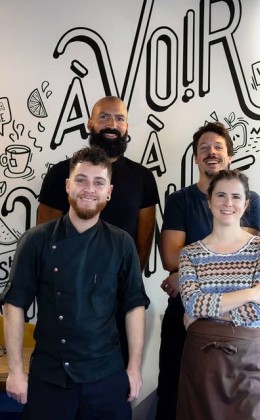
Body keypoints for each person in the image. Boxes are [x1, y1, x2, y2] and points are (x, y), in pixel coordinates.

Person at [2, 147, 150, 420]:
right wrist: (16, 371)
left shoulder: (122, 243)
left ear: (109, 191)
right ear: (68, 185)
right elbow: (14, 305)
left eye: (98, 182)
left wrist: (133, 368)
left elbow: (134, 307)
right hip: (50, 376)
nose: (89, 189)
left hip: (106, 375)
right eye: (81, 180)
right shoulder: (36, 240)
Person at [37, 95, 159, 364]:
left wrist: (126, 286)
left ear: (127, 127)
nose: (111, 124)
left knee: (115, 380)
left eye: (119, 118)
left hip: (118, 297)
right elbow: (45, 238)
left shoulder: (143, 178)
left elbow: (143, 243)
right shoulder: (61, 174)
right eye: (104, 116)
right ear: (90, 123)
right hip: (67, 295)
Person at [156, 122, 260, 420]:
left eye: (218, 147)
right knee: (174, 394)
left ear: (229, 156)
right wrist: (189, 269)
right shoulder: (179, 200)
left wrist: (187, 274)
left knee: (229, 404)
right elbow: (170, 257)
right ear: (195, 158)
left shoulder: (247, 200)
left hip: (235, 322)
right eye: (203, 149)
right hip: (183, 315)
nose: (211, 153)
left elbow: (245, 259)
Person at [176, 169, 260, 420]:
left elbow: (258, 309)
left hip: (249, 358)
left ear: (246, 204)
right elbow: (192, 303)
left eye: (236, 196)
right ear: (209, 201)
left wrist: (205, 312)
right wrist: (251, 292)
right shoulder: (190, 254)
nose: (228, 203)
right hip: (201, 359)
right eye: (221, 195)